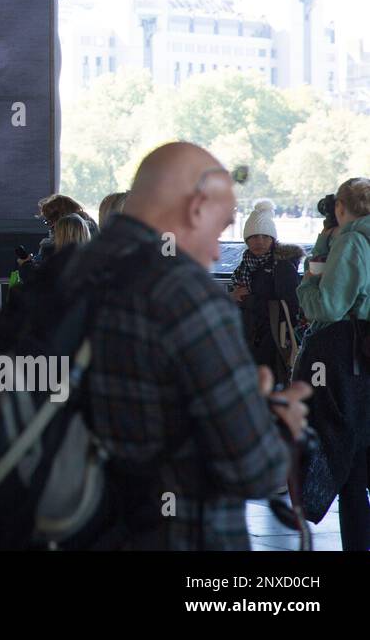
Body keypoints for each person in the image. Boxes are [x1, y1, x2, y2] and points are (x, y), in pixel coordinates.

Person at [74, 142, 308, 549]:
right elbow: (253, 468)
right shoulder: (187, 299)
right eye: (218, 229)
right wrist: (276, 424)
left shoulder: (67, 280)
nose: (218, 250)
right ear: (195, 208)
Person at [295, 177, 370, 551]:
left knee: (350, 461)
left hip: (347, 356)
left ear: (341, 207)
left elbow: (328, 306)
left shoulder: (354, 243)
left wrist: (308, 282)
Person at [229, 200, 302, 384]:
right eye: (253, 237)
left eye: (265, 236)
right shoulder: (245, 266)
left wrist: (246, 299)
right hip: (249, 337)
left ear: (273, 239)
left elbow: (291, 306)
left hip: (273, 341)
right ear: (246, 240)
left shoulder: (282, 266)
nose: (259, 241)